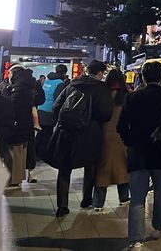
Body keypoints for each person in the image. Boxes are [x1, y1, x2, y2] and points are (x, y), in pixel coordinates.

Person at [118, 61, 161, 249]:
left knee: (137, 197)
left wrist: (130, 141)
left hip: (138, 152)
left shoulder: (133, 97)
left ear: (143, 77)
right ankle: (159, 227)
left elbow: (121, 126)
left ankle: (135, 239)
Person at [47, 60, 113, 217]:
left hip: (67, 132)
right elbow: (106, 114)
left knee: (64, 169)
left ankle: (62, 206)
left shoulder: (71, 85)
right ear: (99, 73)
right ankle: (86, 199)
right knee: (90, 165)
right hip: (90, 133)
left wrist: (63, 122)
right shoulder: (101, 88)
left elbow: (56, 106)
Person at [93, 70, 130, 212]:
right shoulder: (126, 96)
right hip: (121, 137)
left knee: (102, 170)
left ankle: (98, 203)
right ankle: (124, 198)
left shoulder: (103, 94)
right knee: (123, 169)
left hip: (103, 136)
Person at [4, 65, 38, 187]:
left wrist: (7, 93)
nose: (8, 76)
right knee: (22, 151)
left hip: (18, 125)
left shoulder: (18, 87)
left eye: (10, 73)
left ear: (15, 73)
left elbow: (14, 106)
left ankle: (14, 179)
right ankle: (19, 177)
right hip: (25, 123)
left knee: (16, 151)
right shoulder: (27, 84)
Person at [36, 64, 68, 159]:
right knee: (47, 135)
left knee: (40, 133)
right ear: (64, 73)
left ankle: (35, 153)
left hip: (41, 109)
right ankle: (41, 155)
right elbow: (58, 100)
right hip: (49, 112)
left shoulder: (48, 80)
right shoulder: (60, 83)